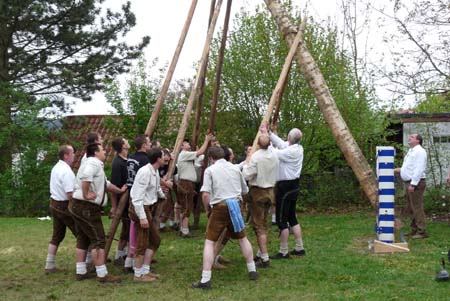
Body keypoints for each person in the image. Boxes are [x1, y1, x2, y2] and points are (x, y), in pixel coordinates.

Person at [192, 146, 258, 289]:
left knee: (209, 242)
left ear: (210, 158)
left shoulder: (210, 170)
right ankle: (252, 270)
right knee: (242, 238)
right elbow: (245, 190)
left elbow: (205, 194)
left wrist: (207, 209)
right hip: (236, 205)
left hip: (220, 207)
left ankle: (205, 279)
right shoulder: (235, 168)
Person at [70, 143, 126, 283]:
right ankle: (102, 275)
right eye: (102, 150)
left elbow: (105, 184)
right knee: (98, 240)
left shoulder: (92, 163)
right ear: (95, 152)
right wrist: (86, 194)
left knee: (83, 238)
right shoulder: (93, 163)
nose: (105, 152)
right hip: (86, 207)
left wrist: (119, 190)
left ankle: (81, 271)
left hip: (79, 206)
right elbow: (86, 177)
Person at [260, 124, 306, 259]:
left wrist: (265, 140)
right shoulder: (297, 148)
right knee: (292, 217)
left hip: (285, 187)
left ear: (290, 138)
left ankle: (283, 251)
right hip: (294, 185)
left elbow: (275, 152)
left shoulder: (290, 152)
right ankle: (299, 247)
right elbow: (281, 144)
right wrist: (268, 133)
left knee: (281, 220)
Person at [130, 148, 169, 283]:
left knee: (155, 240)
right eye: (164, 155)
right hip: (140, 208)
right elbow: (136, 198)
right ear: (158, 158)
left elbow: (156, 187)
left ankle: (145, 271)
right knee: (142, 242)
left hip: (147, 208)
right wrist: (142, 217)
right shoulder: (145, 172)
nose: (166, 157)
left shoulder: (155, 171)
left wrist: (163, 196)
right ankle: (138, 275)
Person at [242, 134, 279, 268]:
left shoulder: (256, 157)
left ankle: (264, 257)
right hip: (270, 192)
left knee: (259, 226)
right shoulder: (274, 154)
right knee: (263, 223)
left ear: (258, 144)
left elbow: (247, 175)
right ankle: (260, 252)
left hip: (258, 193)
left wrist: (247, 162)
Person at [45, 145, 78, 274]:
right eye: (72, 153)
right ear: (66, 155)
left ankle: (49, 264)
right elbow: (70, 194)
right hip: (64, 206)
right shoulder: (66, 171)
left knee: (57, 235)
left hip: (54, 204)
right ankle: (86, 263)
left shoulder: (56, 167)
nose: (74, 155)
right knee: (81, 234)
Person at [123, 134, 152, 272]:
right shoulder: (146, 161)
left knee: (132, 230)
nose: (151, 144)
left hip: (131, 195)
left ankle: (129, 261)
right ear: (144, 145)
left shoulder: (131, 158)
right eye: (149, 142)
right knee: (140, 233)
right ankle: (137, 266)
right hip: (140, 198)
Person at [176, 134, 213, 238]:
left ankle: (183, 229)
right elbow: (200, 152)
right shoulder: (183, 154)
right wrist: (206, 141)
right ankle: (184, 230)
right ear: (182, 146)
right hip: (186, 183)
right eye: (186, 143)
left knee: (187, 207)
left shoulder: (186, 155)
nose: (188, 144)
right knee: (186, 208)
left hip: (188, 183)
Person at [394, 133, 428, 239]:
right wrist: (398, 170)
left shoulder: (420, 151)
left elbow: (419, 169)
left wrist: (413, 184)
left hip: (416, 183)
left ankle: (422, 232)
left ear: (418, 141)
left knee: (417, 207)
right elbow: (409, 168)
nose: (409, 138)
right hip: (410, 182)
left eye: (412, 137)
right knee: (411, 207)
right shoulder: (411, 151)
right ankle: (414, 230)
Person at [109, 137, 130, 264]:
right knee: (126, 227)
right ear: (123, 145)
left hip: (129, 199)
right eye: (126, 141)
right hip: (123, 201)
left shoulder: (128, 159)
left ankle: (126, 253)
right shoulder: (117, 163)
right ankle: (119, 254)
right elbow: (113, 186)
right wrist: (114, 206)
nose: (128, 142)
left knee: (129, 227)